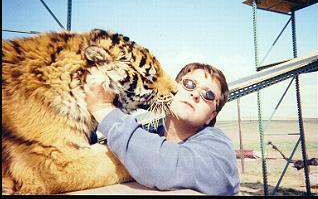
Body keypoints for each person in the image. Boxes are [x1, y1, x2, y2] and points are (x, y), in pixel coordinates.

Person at [84, 62, 240, 195]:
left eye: (208, 95)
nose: (195, 94)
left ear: (211, 116)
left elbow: (169, 167)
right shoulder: (146, 135)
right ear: (173, 87)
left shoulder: (219, 149)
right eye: (189, 84)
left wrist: (101, 108)